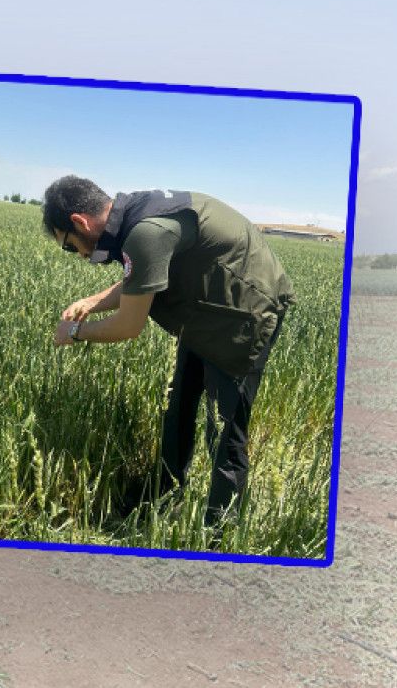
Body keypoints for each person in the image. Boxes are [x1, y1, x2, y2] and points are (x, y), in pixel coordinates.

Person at [41, 175, 294, 529]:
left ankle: (220, 533)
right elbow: (142, 272)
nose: (81, 256)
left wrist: (75, 332)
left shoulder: (146, 231)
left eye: (71, 246)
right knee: (180, 404)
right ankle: (163, 492)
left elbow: (128, 326)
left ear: (80, 222)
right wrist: (93, 301)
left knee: (225, 428)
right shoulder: (137, 217)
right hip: (205, 307)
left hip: (244, 312)